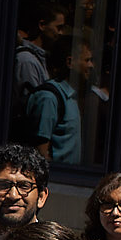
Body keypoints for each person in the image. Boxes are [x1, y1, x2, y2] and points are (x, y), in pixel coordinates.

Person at [28, 36, 89, 164]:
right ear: (70, 62)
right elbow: (41, 150)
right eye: (87, 60)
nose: (91, 65)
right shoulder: (49, 97)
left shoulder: (72, 96)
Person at [15, 1, 70, 105]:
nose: (61, 33)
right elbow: (35, 103)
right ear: (42, 25)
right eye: (58, 27)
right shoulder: (27, 60)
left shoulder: (46, 58)